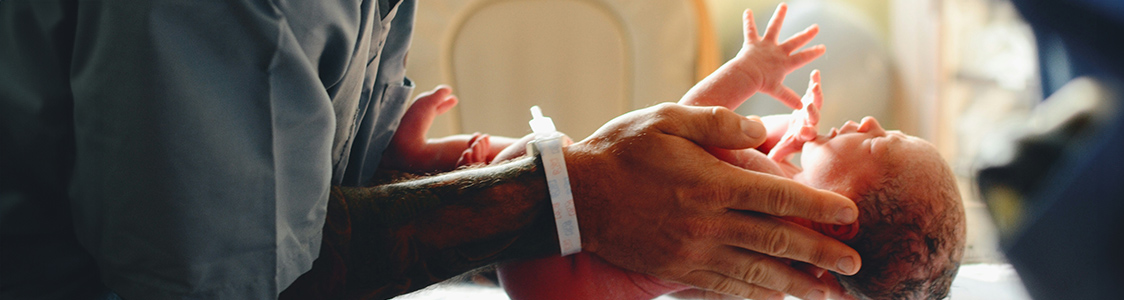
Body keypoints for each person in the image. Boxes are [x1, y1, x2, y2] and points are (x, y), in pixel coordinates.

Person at [0, 1, 861, 300]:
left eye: (876, 147)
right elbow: (226, 276)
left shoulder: (740, 246)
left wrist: (377, 175)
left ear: (825, 251)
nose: (853, 127)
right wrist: (565, 194)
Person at [489, 5, 966, 299]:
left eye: (878, 141)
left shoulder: (761, 189)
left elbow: (672, 134)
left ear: (839, 217)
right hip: (557, 279)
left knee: (526, 157)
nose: (869, 122)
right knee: (515, 158)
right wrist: (793, 141)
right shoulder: (782, 260)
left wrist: (751, 71)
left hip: (556, 266)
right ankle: (430, 157)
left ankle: (437, 161)